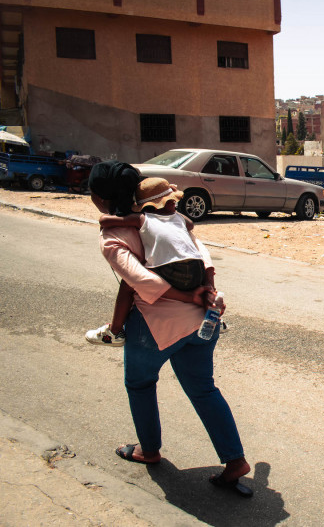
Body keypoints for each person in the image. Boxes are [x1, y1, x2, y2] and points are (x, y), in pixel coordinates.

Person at [87, 161, 252, 496]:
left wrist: (186, 296)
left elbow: (139, 281)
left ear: (100, 199)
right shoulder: (168, 217)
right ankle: (235, 461)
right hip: (204, 322)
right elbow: (200, 252)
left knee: (140, 383)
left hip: (156, 326)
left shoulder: (114, 234)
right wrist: (206, 290)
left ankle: (148, 450)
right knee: (204, 389)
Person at [85, 177, 227, 345]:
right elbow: (191, 225)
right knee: (202, 290)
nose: (175, 204)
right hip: (197, 268)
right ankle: (214, 319)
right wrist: (172, 210)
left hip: (171, 268)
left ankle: (115, 331)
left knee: (129, 283)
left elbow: (105, 220)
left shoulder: (142, 218)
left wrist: (130, 214)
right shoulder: (180, 219)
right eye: (172, 202)